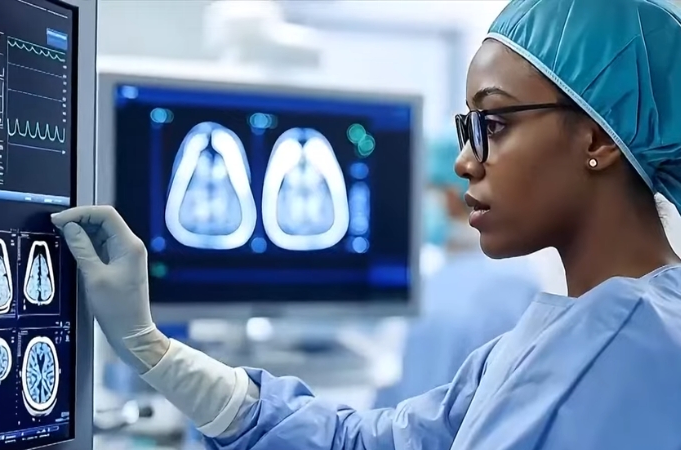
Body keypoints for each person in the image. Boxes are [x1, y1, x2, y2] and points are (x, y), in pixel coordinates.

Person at [53, 0, 681, 447]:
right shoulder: (554, 340)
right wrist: (154, 351)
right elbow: (368, 441)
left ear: (598, 137)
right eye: (469, 130)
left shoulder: (622, 353)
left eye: (493, 124)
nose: (464, 161)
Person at [373, 133, 538, 408]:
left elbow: (405, 418)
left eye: (428, 191)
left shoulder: (440, 294)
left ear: (449, 197)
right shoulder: (522, 281)